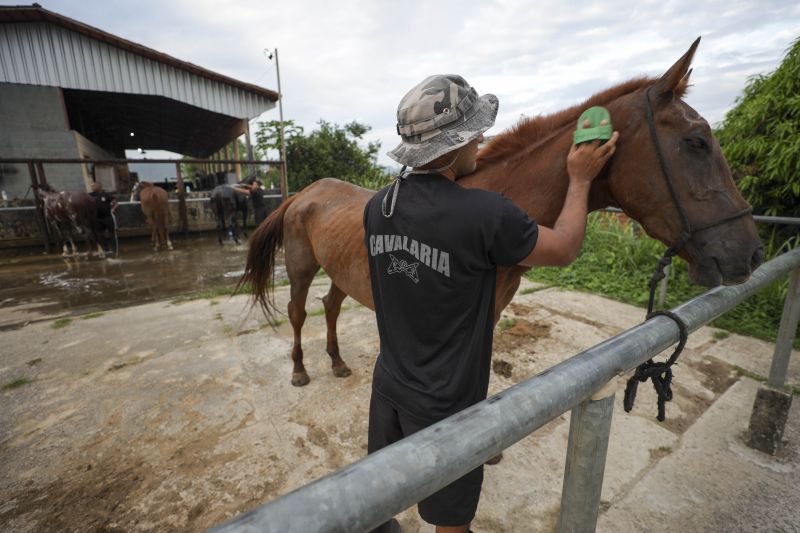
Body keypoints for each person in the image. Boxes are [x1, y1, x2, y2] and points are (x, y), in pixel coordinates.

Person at [362, 74, 618, 533]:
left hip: (389, 385)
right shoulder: (485, 213)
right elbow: (562, 248)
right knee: (451, 522)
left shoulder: (378, 206)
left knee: (380, 500)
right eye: (476, 132)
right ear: (456, 144)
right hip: (450, 405)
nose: (482, 139)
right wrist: (579, 180)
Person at [90, 181, 118, 252]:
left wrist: (114, 209)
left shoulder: (106, 195)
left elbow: (115, 203)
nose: (92, 187)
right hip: (97, 218)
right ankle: (105, 248)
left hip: (107, 217)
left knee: (112, 233)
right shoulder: (90, 195)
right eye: (91, 186)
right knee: (99, 234)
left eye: (93, 186)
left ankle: (114, 249)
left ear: (99, 187)